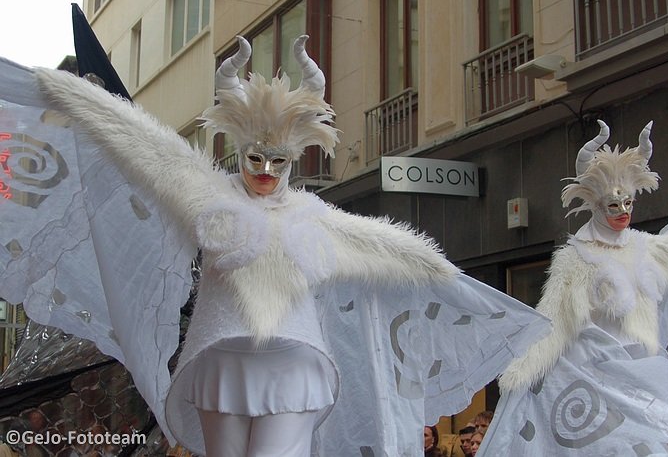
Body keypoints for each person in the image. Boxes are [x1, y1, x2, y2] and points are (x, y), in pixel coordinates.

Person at [0, 36, 550, 456]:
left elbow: (399, 252)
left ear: (296, 158)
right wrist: (66, 93)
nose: (264, 170)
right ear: (239, 149)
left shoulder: (315, 216)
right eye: (254, 157)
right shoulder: (203, 192)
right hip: (220, 363)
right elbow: (141, 143)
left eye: (278, 160)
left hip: (293, 366)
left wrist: (459, 285)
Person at [475, 120, 668, 456]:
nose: (623, 212)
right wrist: (523, 369)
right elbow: (554, 317)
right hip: (595, 373)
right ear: (597, 206)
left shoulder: (645, 247)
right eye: (614, 205)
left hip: (648, 370)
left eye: (628, 203)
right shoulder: (578, 257)